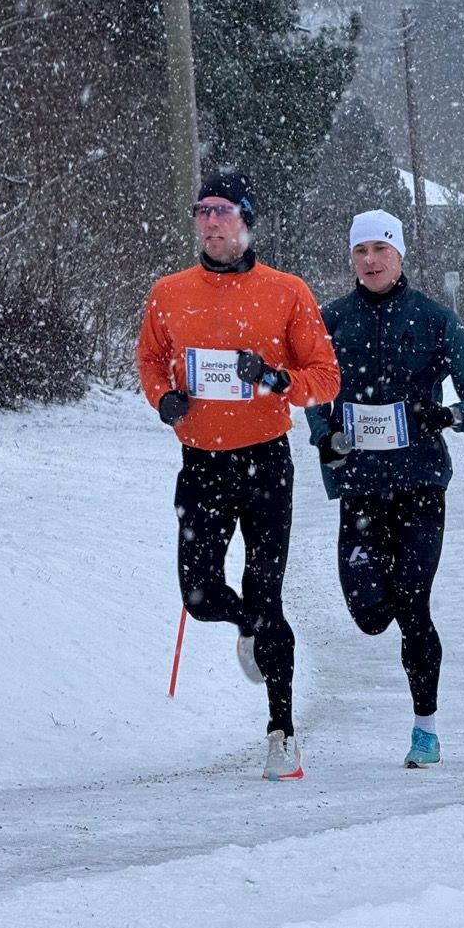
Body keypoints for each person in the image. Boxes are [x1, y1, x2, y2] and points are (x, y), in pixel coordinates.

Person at [137, 168, 340, 781]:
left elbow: (325, 378)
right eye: (202, 211)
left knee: (266, 589)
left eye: (222, 211)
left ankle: (282, 732)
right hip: (201, 464)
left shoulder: (287, 292)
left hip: (265, 465)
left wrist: (276, 379)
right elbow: (151, 360)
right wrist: (164, 399)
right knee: (200, 596)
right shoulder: (170, 292)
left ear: (247, 221)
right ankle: (251, 625)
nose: (210, 222)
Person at [305, 209, 464, 769]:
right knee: (369, 615)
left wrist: (451, 415)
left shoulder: (435, 319)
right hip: (360, 487)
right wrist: (325, 434)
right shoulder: (330, 320)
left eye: (380, 250)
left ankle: (425, 731)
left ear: (399, 255)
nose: (370, 261)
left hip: (419, 484)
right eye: (360, 251)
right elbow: (313, 388)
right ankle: (384, 596)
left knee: (413, 605)